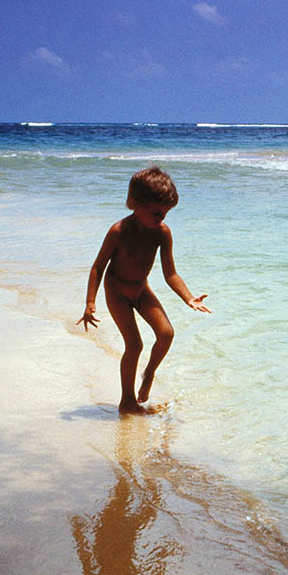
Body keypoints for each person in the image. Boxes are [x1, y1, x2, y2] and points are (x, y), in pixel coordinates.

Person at [80, 166, 210, 414]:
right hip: (117, 292)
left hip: (141, 290)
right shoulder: (119, 231)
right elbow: (98, 267)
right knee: (135, 345)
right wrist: (90, 303)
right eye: (156, 212)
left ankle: (149, 372)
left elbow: (170, 274)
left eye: (166, 213)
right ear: (134, 203)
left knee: (166, 333)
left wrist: (189, 298)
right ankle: (127, 400)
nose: (161, 218)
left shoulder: (162, 233)